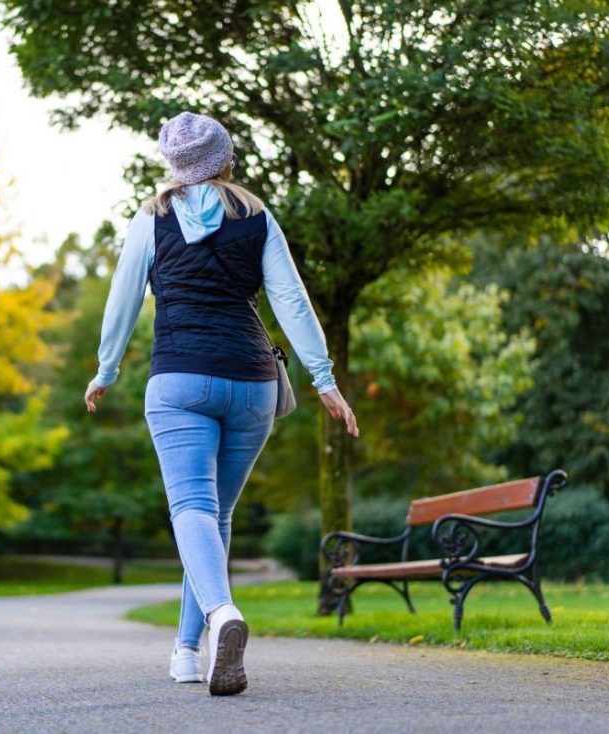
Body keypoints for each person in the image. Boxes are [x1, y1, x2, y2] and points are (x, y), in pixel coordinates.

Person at [83, 111, 359, 696]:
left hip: (180, 381)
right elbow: (292, 300)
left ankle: (221, 614)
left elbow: (123, 299)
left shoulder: (152, 217)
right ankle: (188, 653)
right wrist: (323, 379)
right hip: (253, 383)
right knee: (215, 517)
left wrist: (106, 370)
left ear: (174, 167)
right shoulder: (256, 214)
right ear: (227, 160)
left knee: (192, 508)